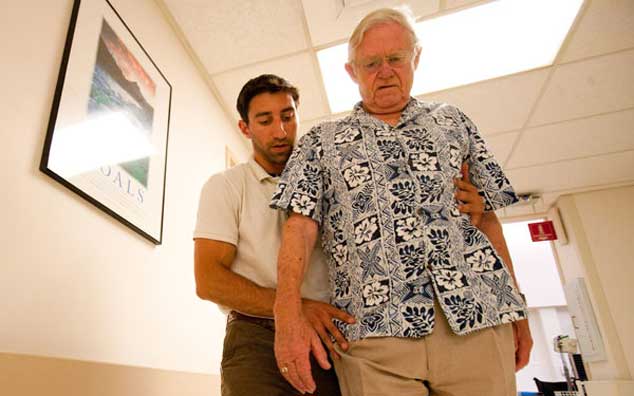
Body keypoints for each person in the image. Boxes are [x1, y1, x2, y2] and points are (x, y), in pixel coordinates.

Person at [271, 8, 533, 396]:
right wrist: (286, 315)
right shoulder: (320, 141)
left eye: (395, 59)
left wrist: (519, 311)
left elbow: (488, 221)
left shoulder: (454, 121)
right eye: (371, 63)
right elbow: (299, 228)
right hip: (373, 334)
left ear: (416, 58)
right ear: (352, 72)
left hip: (478, 318)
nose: (385, 71)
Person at [193, 74, 486, 396]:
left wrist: (465, 202)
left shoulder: (339, 179)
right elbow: (209, 280)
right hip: (258, 335)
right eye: (265, 120)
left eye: (287, 117)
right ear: (245, 128)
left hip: (334, 335)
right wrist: (293, 306)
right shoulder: (226, 187)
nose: (280, 131)